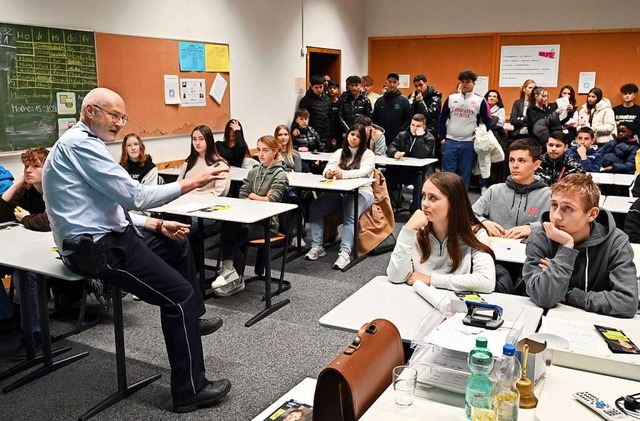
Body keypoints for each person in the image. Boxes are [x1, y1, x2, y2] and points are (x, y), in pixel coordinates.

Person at [42, 88, 232, 413]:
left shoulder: (84, 144)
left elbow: (110, 209)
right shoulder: (82, 147)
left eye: (123, 117)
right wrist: (192, 182)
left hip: (112, 237)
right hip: (100, 249)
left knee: (178, 242)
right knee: (180, 297)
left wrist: (157, 226)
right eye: (113, 116)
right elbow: (137, 198)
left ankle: (191, 319)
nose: (119, 123)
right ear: (90, 111)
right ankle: (190, 390)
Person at [523, 173, 638, 318]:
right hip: (549, 321)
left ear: (592, 214)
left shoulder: (616, 242)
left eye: (568, 208)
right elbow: (544, 297)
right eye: (554, 205)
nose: (556, 216)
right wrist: (566, 246)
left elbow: (627, 302)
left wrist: (570, 295)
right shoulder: (540, 237)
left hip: (596, 322)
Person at [386, 172, 496, 292]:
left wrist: (430, 279)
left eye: (433, 198)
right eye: (423, 196)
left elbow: (486, 281)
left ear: (454, 203)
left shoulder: (475, 233)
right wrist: (408, 230)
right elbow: (395, 277)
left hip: (454, 305)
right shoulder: (417, 231)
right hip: (418, 300)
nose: (424, 204)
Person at [211, 135, 289, 296]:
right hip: (249, 218)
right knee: (227, 225)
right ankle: (230, 271)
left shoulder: (280, 174)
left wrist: (254, 197)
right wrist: (257, 197)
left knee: (239, 235)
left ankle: (234, 278)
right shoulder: (254, 171)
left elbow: (272, 201)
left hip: (267, 224)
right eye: (259, 150)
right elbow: (242, 194)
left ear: (275, 152)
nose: (261, 154)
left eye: (265, 150)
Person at [305, 124, 375, 270]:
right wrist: (329, 173)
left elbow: (364, 172)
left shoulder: (368, 154)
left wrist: (343, 174)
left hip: (362, 192)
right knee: (315, 207)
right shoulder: (339, 152)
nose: (354, 138)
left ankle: (345, 253)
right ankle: (317, 245)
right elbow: (328, 167)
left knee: (350, 214)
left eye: (358, 136)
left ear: (363, 140)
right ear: (347, 135)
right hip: (340, 191)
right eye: (352, 134)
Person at [473, 139, 549, 239]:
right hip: (495, 248)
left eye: (521, 161)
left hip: (532, 251)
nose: (515, 166)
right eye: (512, 160)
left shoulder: (548, 195)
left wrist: (533, 228)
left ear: (536, 164)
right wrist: (483, 222)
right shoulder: (494, 191)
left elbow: (561, 224)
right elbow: (468, 214)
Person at [438, 70, 492, 188]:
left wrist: (483, 138)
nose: (465, 84)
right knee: (447, 175)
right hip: (450, 141)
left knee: (464, 175)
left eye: (468, 82)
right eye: (462, 82)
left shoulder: (480, 101)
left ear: (474, 83)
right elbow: (442, 117)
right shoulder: (451, 98)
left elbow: (488, 121)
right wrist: (442, 137)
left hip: (468, 143)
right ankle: (447, 202)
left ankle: (462, 203)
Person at [385, 114, 435, 213]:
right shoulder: (402, 135)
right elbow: (390, 147)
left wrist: (419, 137)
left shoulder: (429, 138)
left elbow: (421, 155)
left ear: (424, 127)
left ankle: (416, 210)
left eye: (418, 126)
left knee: (419, 179)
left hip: (418, 171)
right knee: (384, 176)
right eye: (413, 125)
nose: (414, 128)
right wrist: (394, 153)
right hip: (400, 170)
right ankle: (387, 208)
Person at [177, 125, 231, 196]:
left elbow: (220, 192)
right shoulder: (189, 162)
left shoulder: (220, 165)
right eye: (194, 139)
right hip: (184, 201)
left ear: (209, 141)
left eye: (201, 139)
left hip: (207, 203)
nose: (197, 143)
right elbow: (178, 185)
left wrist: (197, 199)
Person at [372, 72, 412, 146]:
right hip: (382, 137)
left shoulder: (404, 100)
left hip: (399, 137)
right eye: (390, 81)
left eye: (394, 82)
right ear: (386, 82)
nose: (392, 84)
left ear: (398, 84)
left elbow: (408, 119)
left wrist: (401, 131)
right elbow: (374, 119)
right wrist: (379, 131)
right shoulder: (379, 101)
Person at [296, 75, 332, 149]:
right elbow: (300, 116)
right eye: (316, 87)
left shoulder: (327, 99)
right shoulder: (306, 100)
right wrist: (295, 128)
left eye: (321, 87)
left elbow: (331, 117)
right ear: (311, 86)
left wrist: (333, 135)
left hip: (327, 135)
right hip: (313, 135)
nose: (319, 89)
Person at [483, 89, 508, 185]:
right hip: (484, 136)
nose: (491, 98)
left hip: (497, 136)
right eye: (490, 96)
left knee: (496, 160)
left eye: (494, 96)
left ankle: (495, 182)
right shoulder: (482, 107)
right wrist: (492, 120)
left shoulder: (500, 109)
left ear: (497, 100)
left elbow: (500, 123)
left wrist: (488, 123)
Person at [407, 74, 442, 141]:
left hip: (430, 131)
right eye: (416, 86)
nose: (418, 88)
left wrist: (420, 102)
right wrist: (413, 102)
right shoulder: (413, 96)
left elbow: (429, 116)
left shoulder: (436, 96)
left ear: (426, 83)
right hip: (415, 129)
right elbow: (409, 115)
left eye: (421, 85)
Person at [326, 79, 342, 151]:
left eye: (334, 88)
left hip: (339, 131)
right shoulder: (324, 102)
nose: (332, 90)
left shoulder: (341, 103)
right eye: (330, 88)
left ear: (338, 90)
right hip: (327, 131)